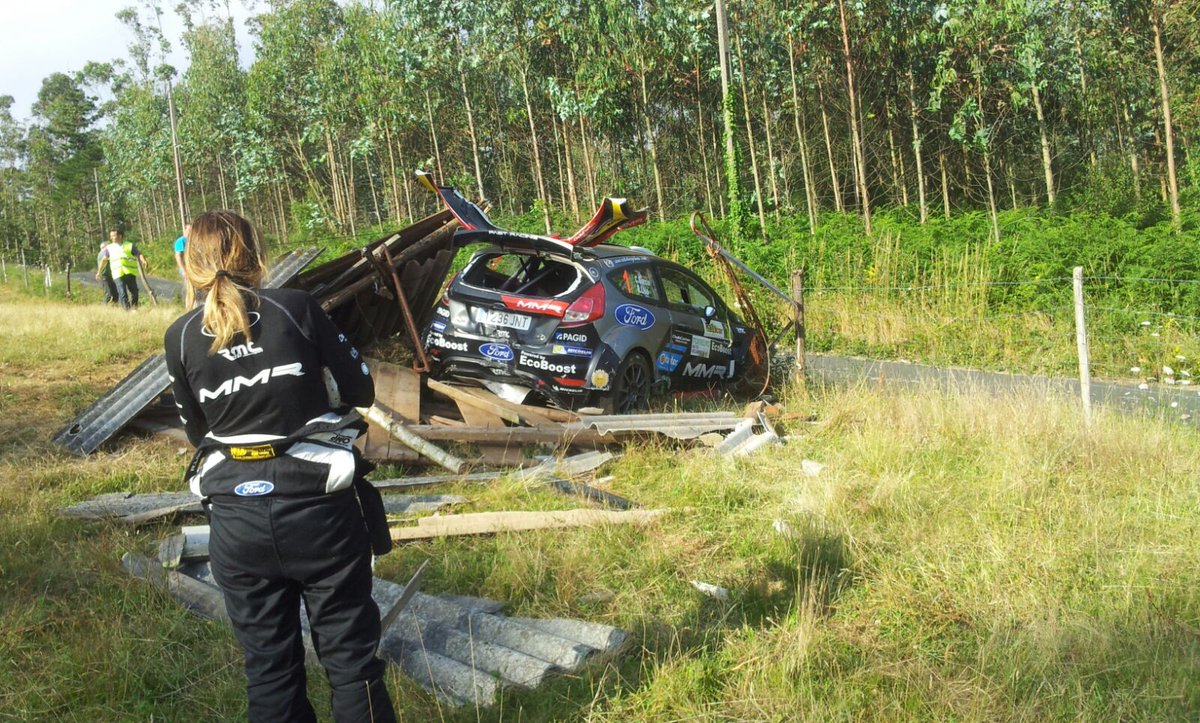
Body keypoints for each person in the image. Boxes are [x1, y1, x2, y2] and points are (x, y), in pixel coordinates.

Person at [164, 210, 397, 722]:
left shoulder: (180, 336)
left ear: (192, 266)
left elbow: (200, 435)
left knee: (269, 672)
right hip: (320, 511)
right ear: (255, 254)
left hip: (236, 521)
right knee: (352, 664)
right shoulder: (295, 307)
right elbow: (361, 390)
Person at [99, 229, 147, 309]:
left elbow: (138, 254)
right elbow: (104, 260)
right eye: (111, 236)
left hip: (129, 272)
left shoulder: (129, 245)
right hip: (117, 273)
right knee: (122, 293)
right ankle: (126, 310)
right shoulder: (109, 248)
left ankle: (134, 307)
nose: (112, 238)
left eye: (114, 236)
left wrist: (144, 261)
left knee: (134, 292)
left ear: (120, 236)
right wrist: (99, 271)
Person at [95, 239, 119, 304]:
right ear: (105, 247)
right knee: (108, 294)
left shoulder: (104, 253)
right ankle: (104, 308)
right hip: (104, 276)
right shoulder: (103, 254)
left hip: (109, 276)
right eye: (109, 245)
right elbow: (106, 260)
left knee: (115, 294)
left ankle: (114, 306)